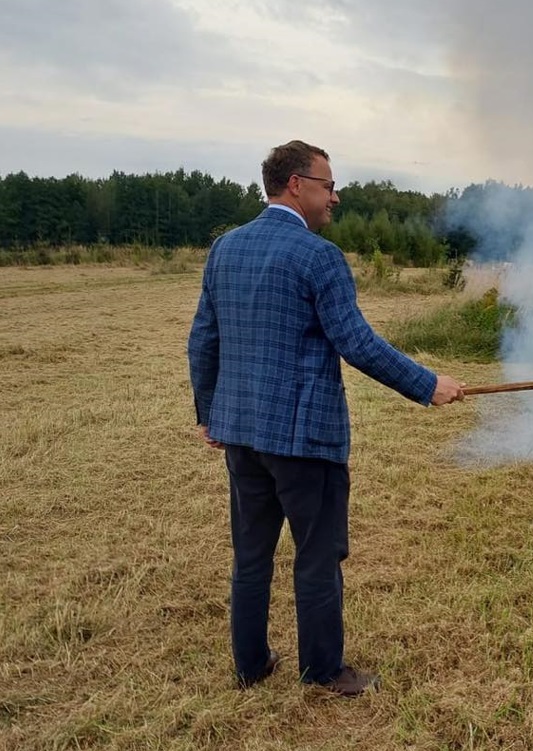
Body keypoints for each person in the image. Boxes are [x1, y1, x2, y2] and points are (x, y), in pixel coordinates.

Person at [187, 140, 464, 696]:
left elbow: (203, 340)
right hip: (304, 439)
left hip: (241, 434)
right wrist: (427, 384)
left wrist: (210, 413)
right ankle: (322, 672)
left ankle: (250, 665)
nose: (335, 197)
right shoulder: (319, 256)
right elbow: (355, 342)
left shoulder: (225, 249)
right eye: (328, 185)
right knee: (317, 557)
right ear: (296, 184)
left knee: (251, 555)